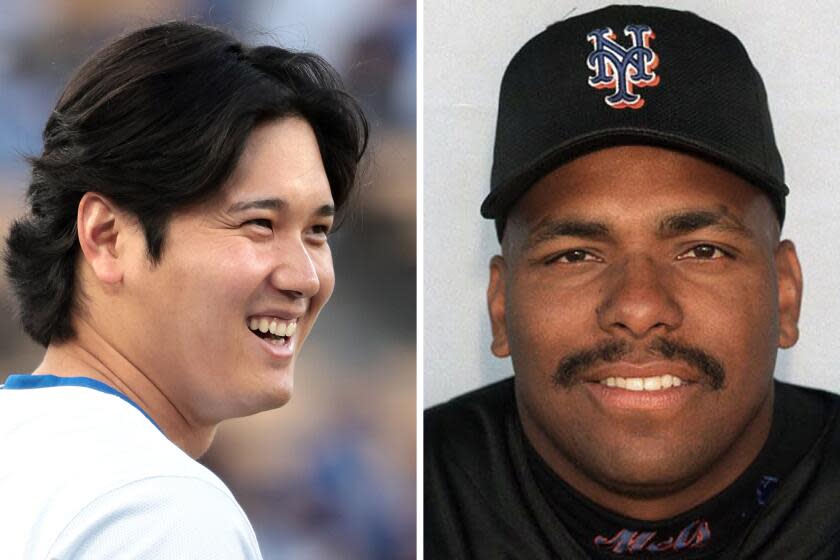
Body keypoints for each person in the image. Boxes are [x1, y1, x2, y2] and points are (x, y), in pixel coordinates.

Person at [425, 5, 840, 559]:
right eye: (575, 255)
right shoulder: (409, 502)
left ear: (786, 294)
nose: (639, 306)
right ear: (500, 307)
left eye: (702, 250)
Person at [0, 21, 367, 558]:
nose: (305, 278)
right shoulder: (159, 508)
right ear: (107, 237)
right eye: (260, 223)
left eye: (317, 231)